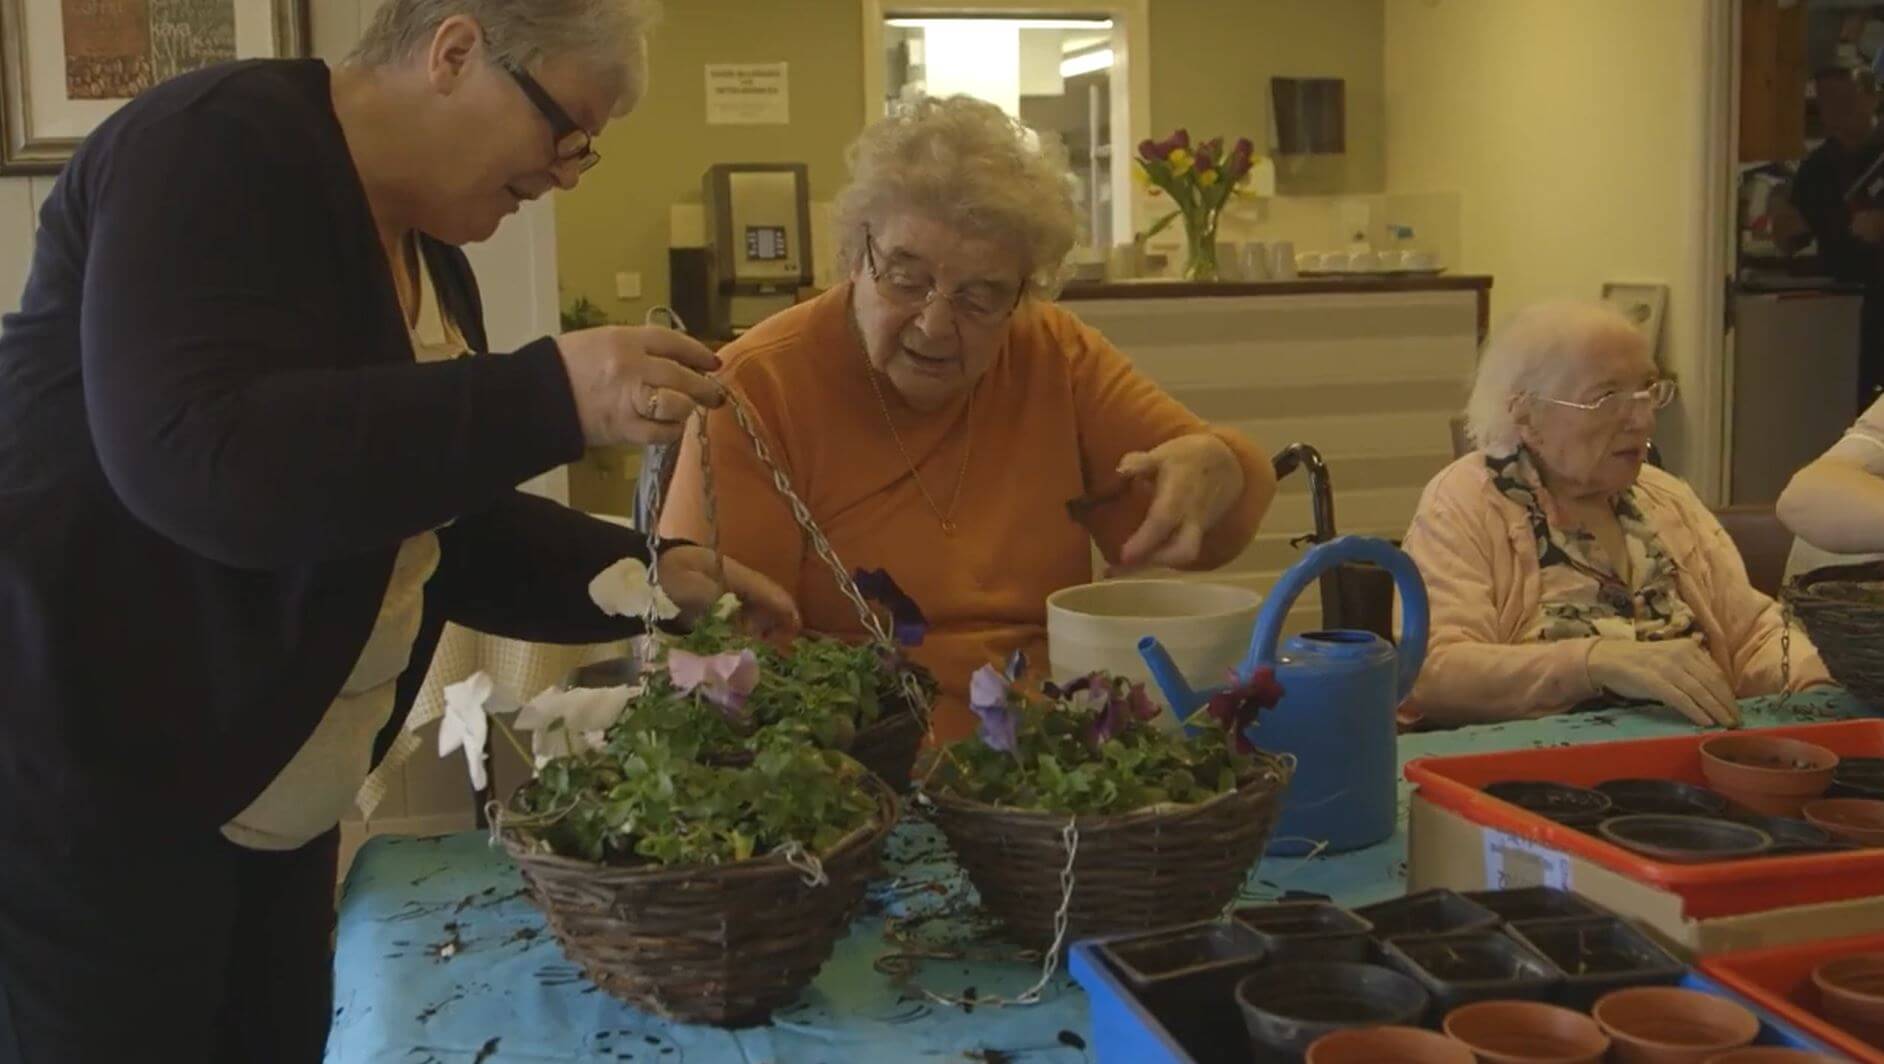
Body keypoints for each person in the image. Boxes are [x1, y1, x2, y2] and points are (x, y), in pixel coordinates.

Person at [0, 2, 798, 1060]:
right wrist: (546, 394)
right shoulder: (214, 142)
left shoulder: (431, 261)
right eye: (565, 130)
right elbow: (196, 458)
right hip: (105, 806)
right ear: (456, 51)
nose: (571, 172)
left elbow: (424, 519)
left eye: (587, 149)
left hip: (267, 813)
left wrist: (650, 571)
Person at [659, 95, 1278, 744]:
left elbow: (1206, 526)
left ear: (1021, 296)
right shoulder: (756, 389)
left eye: (980, 296)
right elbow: (720, 660)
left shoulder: (1051, 356)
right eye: (905, 276)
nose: (934, 323)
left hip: (1044, 762)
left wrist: (1220, 463)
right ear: (854, 257)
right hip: (847, 764)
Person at [1399, 300, 1829, 729]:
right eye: (1606, 397)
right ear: (1527, 414)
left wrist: (1819, 686)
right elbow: (1433, 670)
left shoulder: (1664, 496)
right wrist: (1594, 662)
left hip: (1691, 756)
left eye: (1648, 390)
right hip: (1540, 769)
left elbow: (1753, 636)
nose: (1643, 420)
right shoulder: (1464, 500)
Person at [1792, 65, 1884, 413]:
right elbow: (1793, 238)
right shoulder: (1814, 169)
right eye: (1827, 100)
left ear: (1871, 97)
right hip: (1834, 305)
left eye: (1845, 98)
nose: (1836, 109)